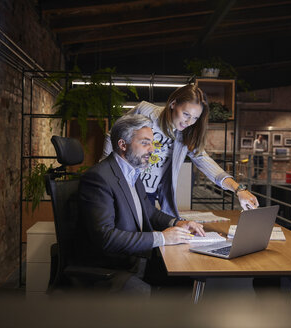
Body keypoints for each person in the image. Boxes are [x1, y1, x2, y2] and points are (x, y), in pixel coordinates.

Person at [78, 114, 205, 294]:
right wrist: (162, 238)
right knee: (167, 289)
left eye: (152, 143)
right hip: (114, 267)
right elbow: (106, 237)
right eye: (145, 143)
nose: (152, 149)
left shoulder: (132, 172)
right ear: (123, 145)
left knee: (188, 277)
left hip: (136, 259)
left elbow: (148, 211)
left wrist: (178, 223)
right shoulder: (99, 178)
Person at [101, 84, 259, 218]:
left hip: (148, 193)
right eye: (186, 114)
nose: (189, 122)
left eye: (195, 118)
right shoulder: (146, 111)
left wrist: (238, 189)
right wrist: (106, 172)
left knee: (144, 237)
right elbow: (113, 135)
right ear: (173, 104)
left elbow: (207, 164)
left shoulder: (187, 134)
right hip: (124, 186)